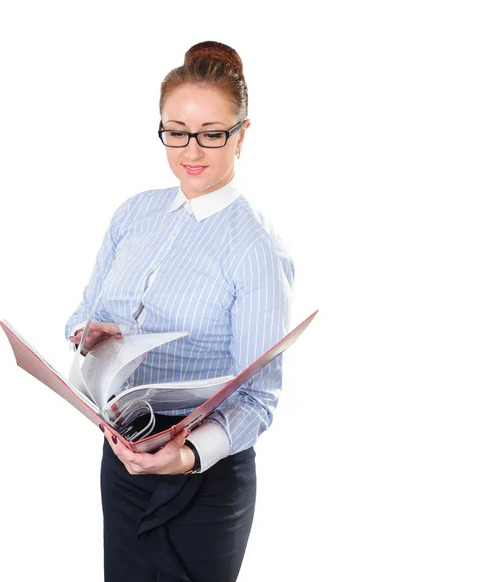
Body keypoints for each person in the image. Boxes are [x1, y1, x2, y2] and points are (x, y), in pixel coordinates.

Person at [65, 40, 295, 582]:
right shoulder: (134, 214)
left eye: (213, 134)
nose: (192, 151)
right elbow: (81, 313)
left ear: (242, 135)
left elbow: (259, 399)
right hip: (124, 454)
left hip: (203, 476)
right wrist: (88, 336)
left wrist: (188, 454)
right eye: (176, 132)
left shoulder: (257, 247)